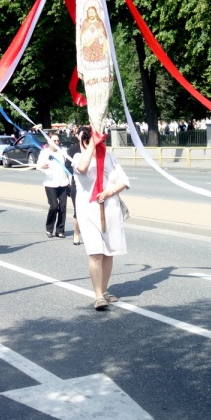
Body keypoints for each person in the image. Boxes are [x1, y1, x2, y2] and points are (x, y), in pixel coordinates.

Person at [73, 126, 130, 311]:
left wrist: (109, 191)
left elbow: (124, 180)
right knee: (96, 252)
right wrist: (89, 145)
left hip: (110, 207)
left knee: (108, 252)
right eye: (87, 139)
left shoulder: (110, 157)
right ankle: (98, 295)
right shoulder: (77, 158)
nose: (98, 144)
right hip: (88, 210)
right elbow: (82, 168)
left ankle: (104, 291)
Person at [39, 133, 71, 238]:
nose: (57, 142)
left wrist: (69, 182)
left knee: (62, 207)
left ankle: (60, 230)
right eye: (54, 140)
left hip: (63, 182)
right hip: (50, 183)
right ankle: (49, 228)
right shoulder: (44, 153)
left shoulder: (63, 152)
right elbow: (39, 165)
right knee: (54, 206)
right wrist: (42, 167)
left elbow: (68, 167)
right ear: (49, 142)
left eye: (58, 140)